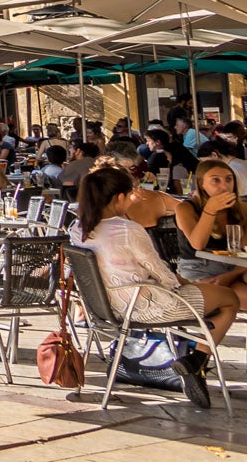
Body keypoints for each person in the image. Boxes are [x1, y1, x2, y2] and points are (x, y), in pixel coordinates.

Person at [76, 164, 237, 408]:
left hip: (105, 307)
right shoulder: (127, 229)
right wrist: (182, 284)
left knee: (212, 296)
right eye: (130, 196)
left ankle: (196, 361)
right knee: (229, 299)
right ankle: (197, 360)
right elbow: (162, 274)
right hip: (149, 306)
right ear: (120, 198)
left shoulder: (78, 229)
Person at [177, 158, 247, 285]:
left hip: (235, 265)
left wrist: (234, 273)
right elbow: (198, 245)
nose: (224, 186)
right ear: (201, 184)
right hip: (199, 267)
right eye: (216, 180)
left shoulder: (241, 208)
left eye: (229, 179)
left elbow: (244, 247)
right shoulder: (185, 208)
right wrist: (210, 210)